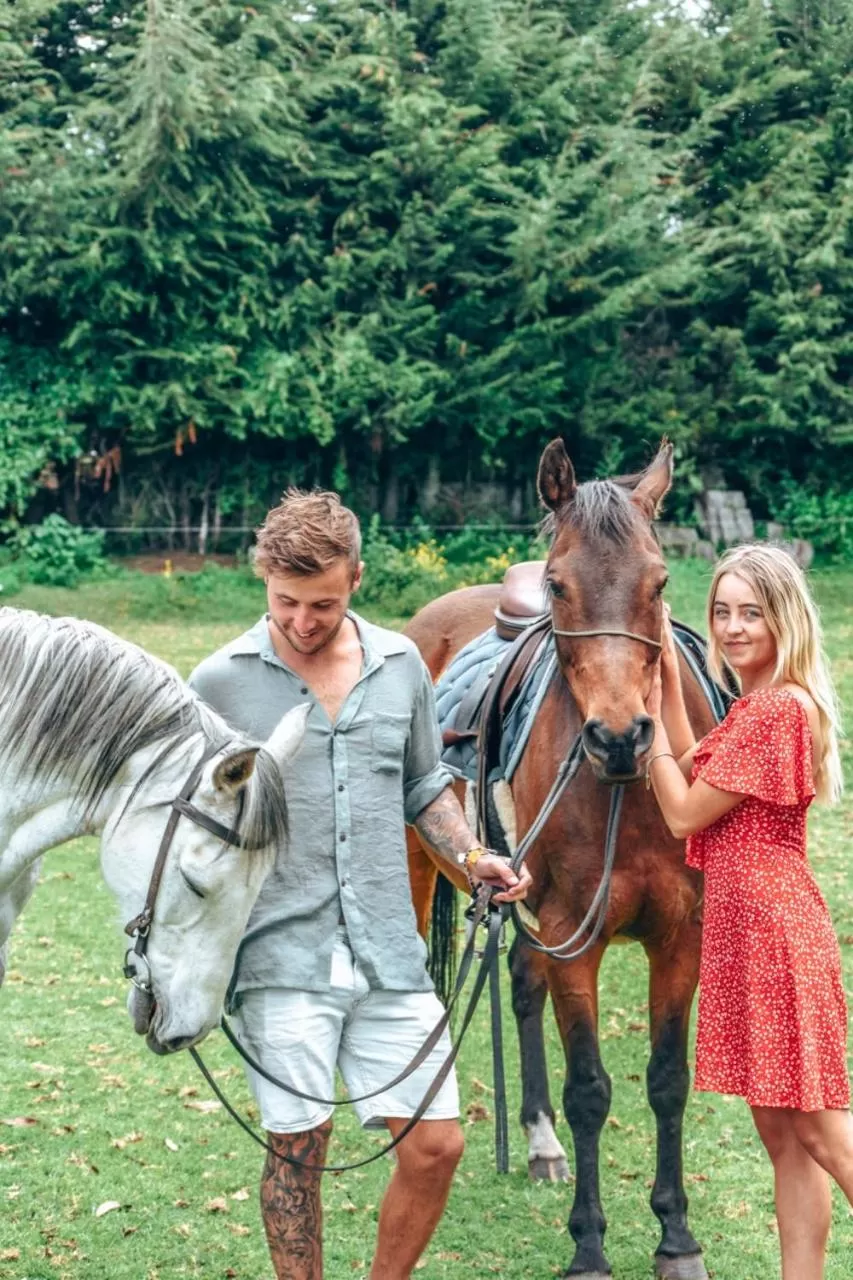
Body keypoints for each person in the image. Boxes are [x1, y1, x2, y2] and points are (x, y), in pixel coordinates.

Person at [188, 488, 531, 1280]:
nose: (303, 621)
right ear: (261, 577)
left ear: (358, 578)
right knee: (299, 1150)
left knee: (437, 1144)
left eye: (324, 603)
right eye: (286, 602)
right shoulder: (216, 682)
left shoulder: (399, 664)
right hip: (279, 953)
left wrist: (471, 855)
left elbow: (421, 786)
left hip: (387, 945)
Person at [645, 543, 848, 1279]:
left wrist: (645, 746)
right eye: (721, 612)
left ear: (783, 619)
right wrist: (666, 677)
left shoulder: (773, 711)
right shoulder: (756, 707)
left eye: (749, 613)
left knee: (823, 1131)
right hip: (748, 928)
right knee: (783, 1135)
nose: (731, 628)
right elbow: (691, 752)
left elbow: (681, 812)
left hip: (772, 931)